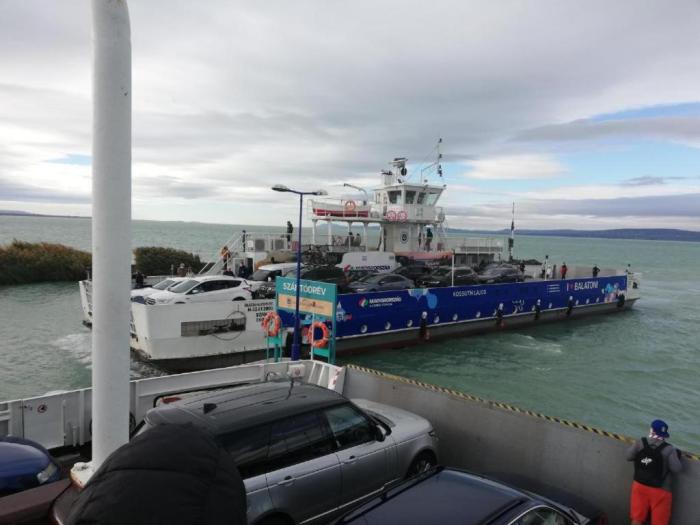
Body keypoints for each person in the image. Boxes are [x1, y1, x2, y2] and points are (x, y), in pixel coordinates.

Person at [626, 419, 682, 525]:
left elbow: (628, 457)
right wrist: (677, 455)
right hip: (661, 490)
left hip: (639, 485)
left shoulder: (640, 442)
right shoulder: (669, 449)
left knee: (637, 519)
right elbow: (676, 469)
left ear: (651, 430)